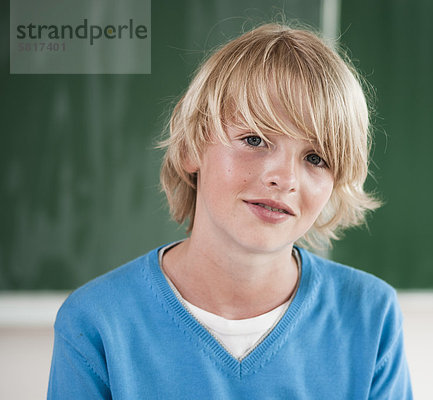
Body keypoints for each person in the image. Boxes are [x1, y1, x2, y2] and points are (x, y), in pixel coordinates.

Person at [48, 23, 412, 399]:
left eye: (315, 158)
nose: (284, 178)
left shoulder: (370, 315)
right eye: (254, 139)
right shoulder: (97, 321)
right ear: (192, 145)